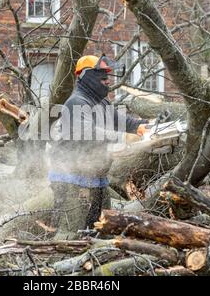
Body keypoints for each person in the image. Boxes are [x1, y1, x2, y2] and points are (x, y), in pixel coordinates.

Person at [48, 55, 149, 240]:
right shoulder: (76, 102)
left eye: (108, 76)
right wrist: (123, 137)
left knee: (104, 228)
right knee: (71, 234)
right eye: (102, 76)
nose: (107, 80)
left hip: (96, 178)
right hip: (72, 180)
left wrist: (142, 126)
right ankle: (61, 265)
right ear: (86, 75)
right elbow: (88, 133)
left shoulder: (99, 102)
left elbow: (120, 121)